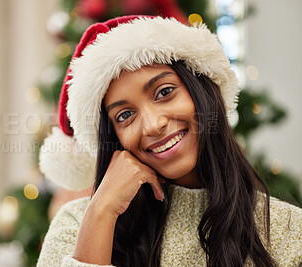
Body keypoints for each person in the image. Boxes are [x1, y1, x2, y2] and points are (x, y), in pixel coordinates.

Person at [37, 15, 302, 267]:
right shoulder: (75, 225)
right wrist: (101, 213)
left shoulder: (289, 232)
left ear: (203, 90)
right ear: (113, 136)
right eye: (125, 115)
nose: (153, 125)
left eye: (165, 92)